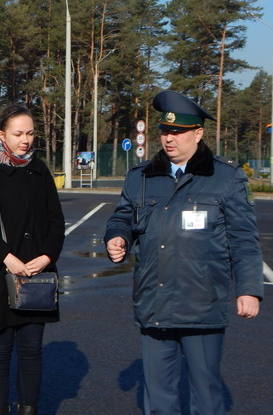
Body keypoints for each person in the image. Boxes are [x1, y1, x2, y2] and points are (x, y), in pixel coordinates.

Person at [104, 90, 264, 415]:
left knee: (206, 396)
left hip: (202, 304)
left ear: (198, 133)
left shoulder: (226, 178)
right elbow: (123, 216)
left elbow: (244, 239)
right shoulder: (142, 177)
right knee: (159, 399)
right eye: (165, 131)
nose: (169, 138)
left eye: (177, 132)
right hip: (154, 302)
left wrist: (249, 289)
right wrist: (117, 236)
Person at [0, 104, 65, 415]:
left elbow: (56, 221)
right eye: (18, 133)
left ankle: (28, 409)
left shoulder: (39, 170)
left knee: (32, 351)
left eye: (30, 133)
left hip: (37, 277)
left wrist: (47, 256)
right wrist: (5, 257)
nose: (26, 140)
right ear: (1, 135)